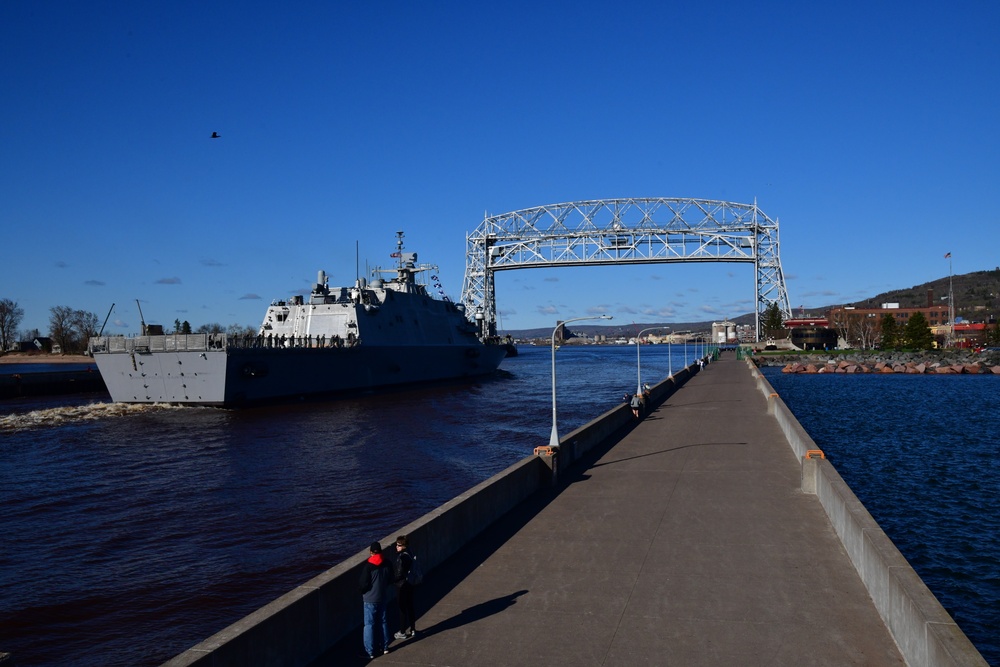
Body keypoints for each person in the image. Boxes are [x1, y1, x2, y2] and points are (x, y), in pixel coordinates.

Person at [358, 541, 393, 659]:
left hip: (370, 599)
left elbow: (363, 584)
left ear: (371, 552)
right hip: (382, 596)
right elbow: (391, 579)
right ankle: (385, 647)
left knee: (369, 625)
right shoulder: (387, 563)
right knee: (383, 622)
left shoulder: (368, 566)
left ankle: (370, 651)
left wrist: (364, 591)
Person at [393, 535, 418, 640]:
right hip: (410, 583)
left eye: (398, 545)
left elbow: (399, 573)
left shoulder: (402, 557)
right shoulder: (410, 553)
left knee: (402, 608)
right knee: (410, 606)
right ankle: (413, 629)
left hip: (402, 585)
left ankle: (402, 631)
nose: (396, 547)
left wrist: (392, 579)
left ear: (403, 546)